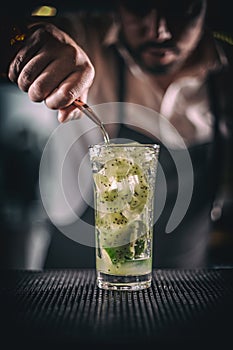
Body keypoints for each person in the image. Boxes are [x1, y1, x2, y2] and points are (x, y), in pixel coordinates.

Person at [1, 0, 233, 268]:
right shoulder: (88, 38)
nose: (161, 31)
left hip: (187, 284)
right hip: (73, 279)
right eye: (140, 7)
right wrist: (24, 39)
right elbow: (16, 37)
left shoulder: (226, 73)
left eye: (180, 9)